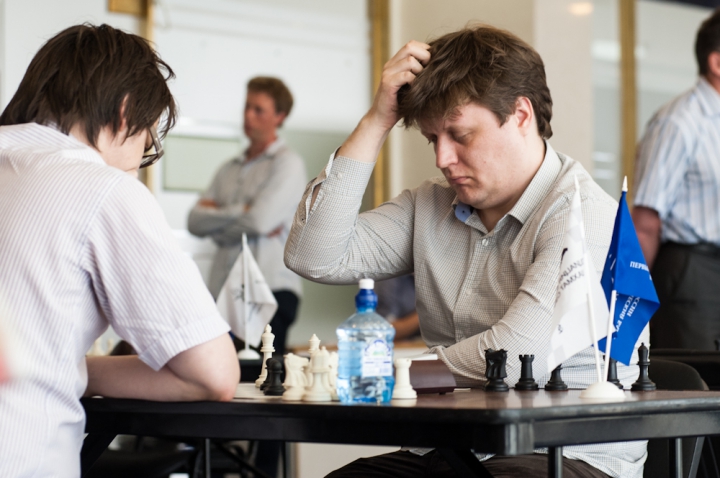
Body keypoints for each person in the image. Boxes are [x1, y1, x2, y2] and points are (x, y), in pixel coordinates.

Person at [285, 26, 647, 477]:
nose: (442, 158)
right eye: (432, 138)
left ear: (520, 115)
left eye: (460, 135)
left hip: (563, 451)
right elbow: (312, 255)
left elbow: (514, 356)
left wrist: (392, 374)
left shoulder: (585, 215)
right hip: (450, 448)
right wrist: (377, 119)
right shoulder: (428, 206)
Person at [0, 24, 240, 478]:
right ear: (126, 111)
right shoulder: (99, 186)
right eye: (148, 138)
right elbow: (212, 372)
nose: (140, 160)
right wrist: (74, 368)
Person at [188, 76, 306, 357]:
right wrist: (242, 210)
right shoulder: (229, 168)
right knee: (223, 373)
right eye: (246, 107)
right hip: (224, 294)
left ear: (279, 116)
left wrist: (218, 225)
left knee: (261, 377)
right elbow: (194, 222)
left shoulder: (287, 164)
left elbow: (259, 222)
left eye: (258, 110)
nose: (248, 116)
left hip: (269, 292)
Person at [633, 8, 720, 350]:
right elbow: (645, 222)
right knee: (701, 379)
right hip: (691, 275)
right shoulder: (678, 122)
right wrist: (631, 302)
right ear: (716, 63)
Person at [375, 274, 421, 341]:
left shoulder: (428, 279)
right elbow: (385, 331)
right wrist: (426, 313)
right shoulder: (390, 280)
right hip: (396, 345)